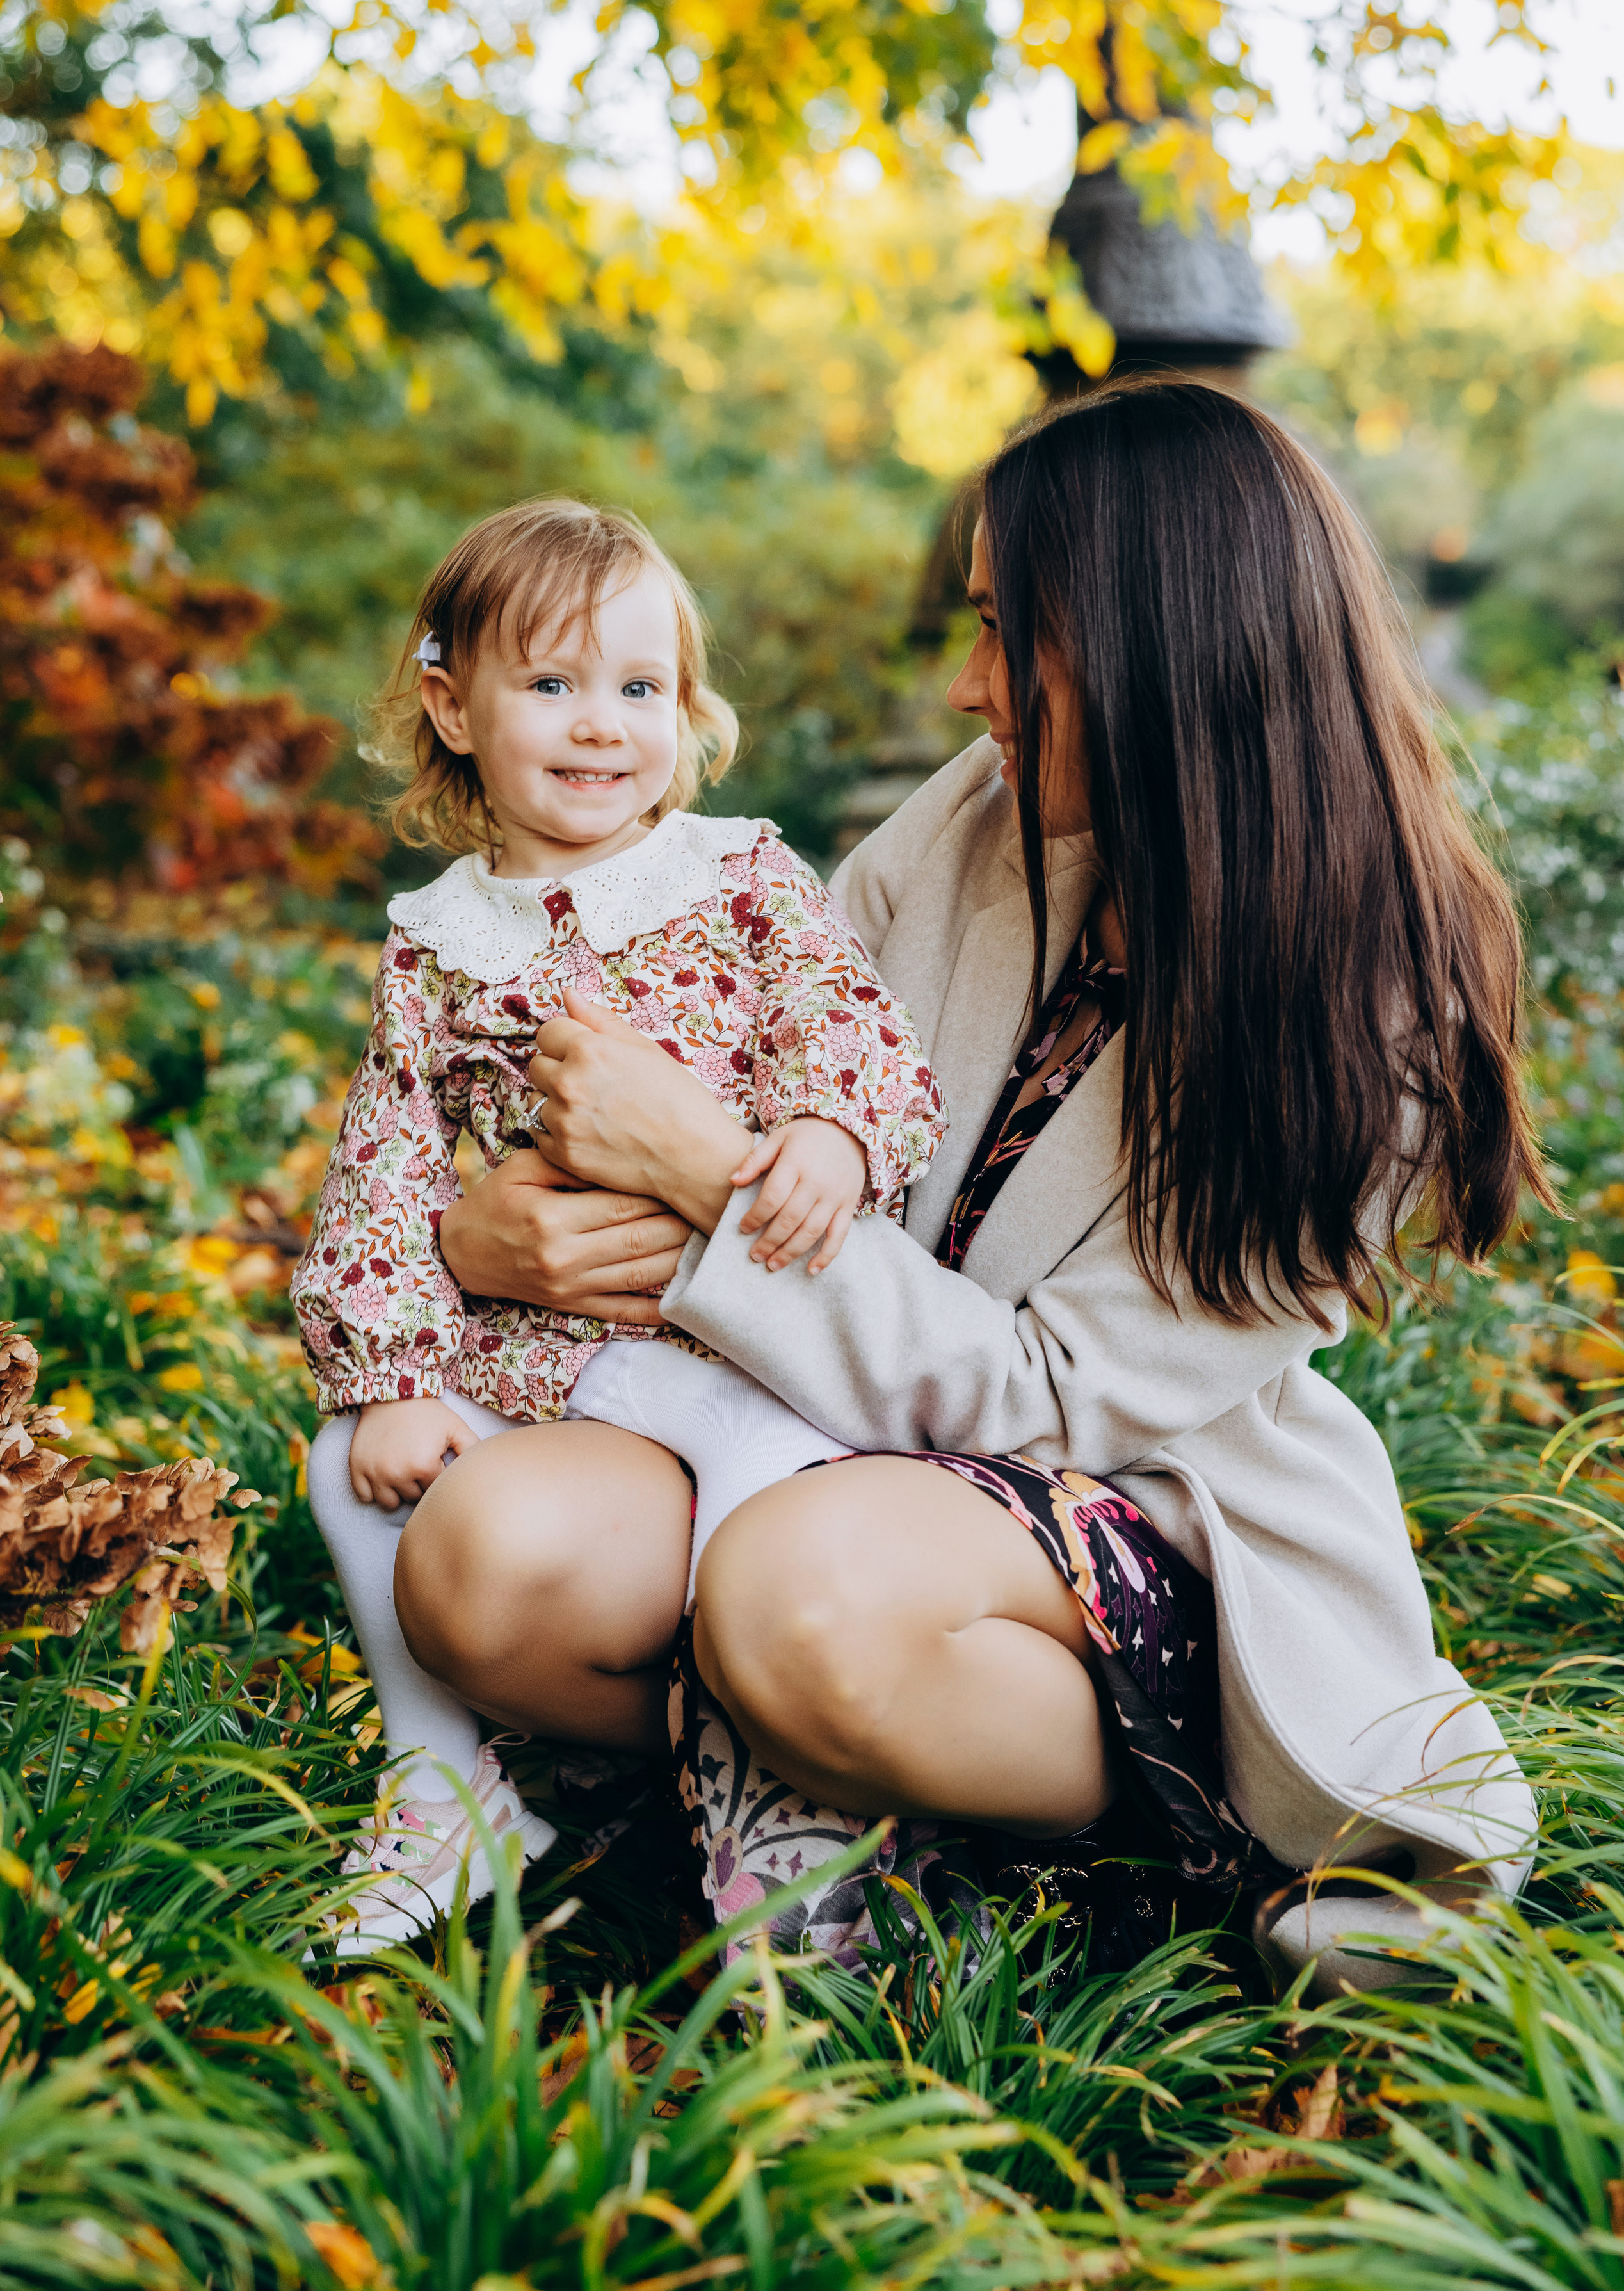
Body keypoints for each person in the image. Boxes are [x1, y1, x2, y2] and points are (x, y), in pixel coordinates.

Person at [399, 383, 1549, 1993]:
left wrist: (710, 1183)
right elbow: (754, 1082)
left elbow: (1043, 1398)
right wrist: (484, 1231)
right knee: (482, 1565)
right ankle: (870, 1806)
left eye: (1011, 632)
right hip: (810, 1422)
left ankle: (1143, 1847)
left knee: (798, 1593)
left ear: (1164, 647)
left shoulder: (1374, 1008)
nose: (964, 686)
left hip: (1127, 1518)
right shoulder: (981, 821)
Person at [294, 496, 946, 1954]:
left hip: (727, 1331)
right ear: (450, 708)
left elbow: (853, 1028)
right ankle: (443, 1785)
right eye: (551, 684)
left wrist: (832, 1131)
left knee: (768, 1509)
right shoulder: (436, 941)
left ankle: (781, 1791)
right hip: (536, 1354)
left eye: (639, 688)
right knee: (343, 1462)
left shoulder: (736, 879)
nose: (602, 727)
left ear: (688, 712)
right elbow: (388, 1158)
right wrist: (395, 1370)